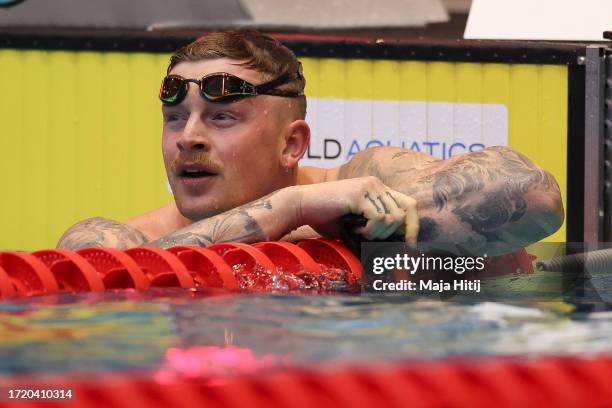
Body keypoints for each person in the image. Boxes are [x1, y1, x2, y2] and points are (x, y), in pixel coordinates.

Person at [57, 29, 564, 256]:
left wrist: (362, 223)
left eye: (222, 117)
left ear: (292, 144)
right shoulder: (122, 240)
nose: (188, 138)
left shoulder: (368, 182)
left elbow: (536, 198)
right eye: (175, 119)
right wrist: (291, 207)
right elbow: (88, 282)